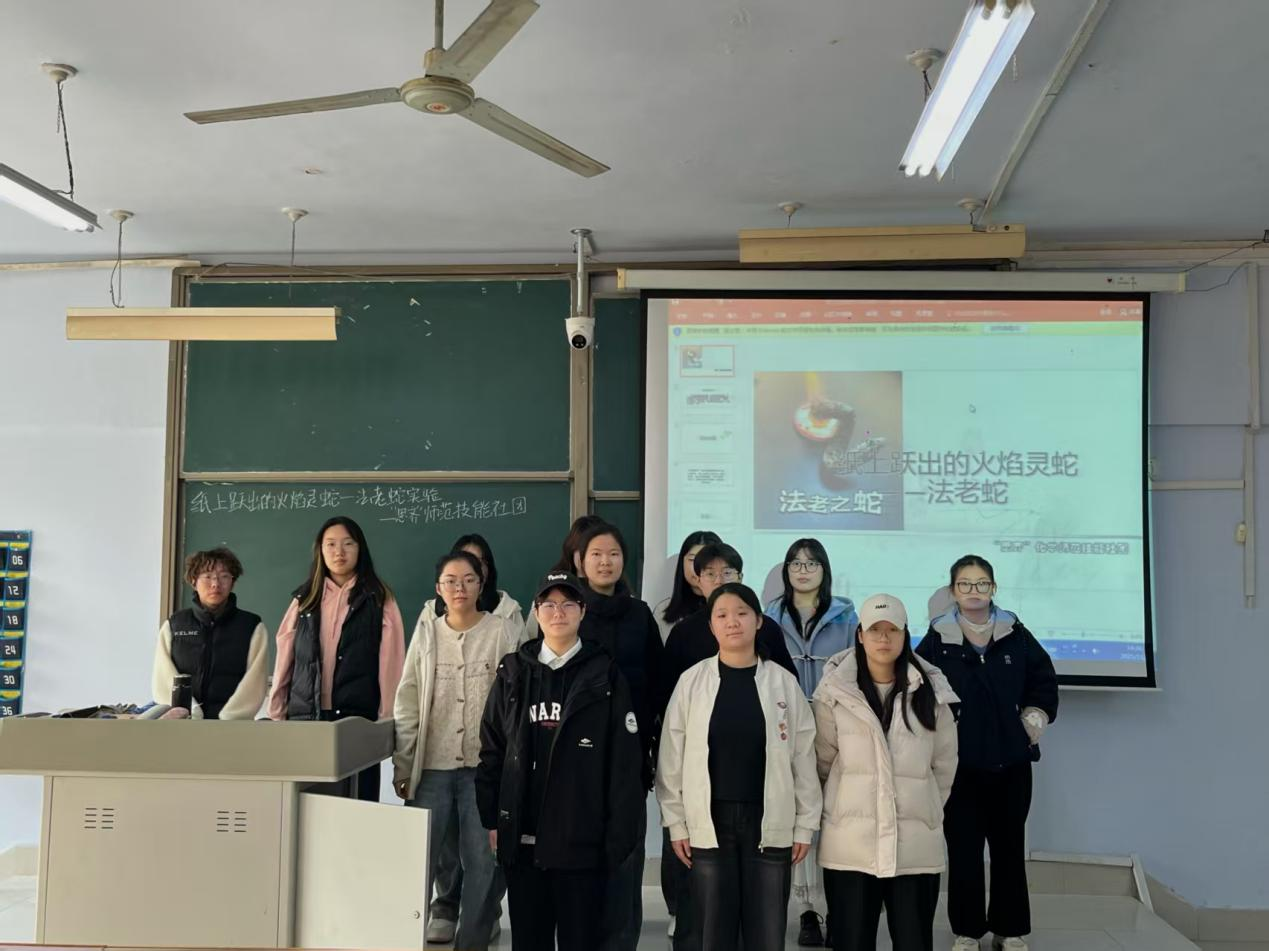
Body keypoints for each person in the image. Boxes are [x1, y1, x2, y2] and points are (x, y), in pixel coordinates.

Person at [476, 572, 644, 951]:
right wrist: (492, 818)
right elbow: (492, 749)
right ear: (536, 612)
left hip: (582, 845)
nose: (558, 612)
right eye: (549, 604)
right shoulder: (513, 672)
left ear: (582, 611)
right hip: (524, 843)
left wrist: (617, 838)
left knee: (580, 941)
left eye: (568, 604)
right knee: (528, 941)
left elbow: (623, 765)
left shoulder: (605, 673)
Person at [656, 582, 821, 951]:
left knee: (767, 930)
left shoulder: (783, 682)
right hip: (709, 821)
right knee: (712, 929)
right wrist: (676, 821)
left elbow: (803, 757)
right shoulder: (692, 682)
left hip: (770, 819)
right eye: (722, 615)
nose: (733, 622)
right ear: (711, 626)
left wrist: (805, 824)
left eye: (742, 613)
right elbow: (671, 758)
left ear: (759, 621)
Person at [914, 556, 1059, 951]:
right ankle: (967, 930)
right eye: (965, 584)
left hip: (1011, 763)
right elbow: (918, 690)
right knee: (964, 850)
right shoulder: (936, 640)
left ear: (993, 588)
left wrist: (1035, 716)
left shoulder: (1017, 635)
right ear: (953, 591)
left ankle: (1010, 929)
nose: (974, 591)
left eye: (981, 584)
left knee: (1009, 847)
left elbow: (1043, 681)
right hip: (958, 767)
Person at [813, 594, 959, 951]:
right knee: (851, 941)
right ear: (860, 635)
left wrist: (923, 807)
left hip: (914, 847)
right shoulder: (834, 692)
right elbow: (822, 762)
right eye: (874, 630)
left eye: (892, 629)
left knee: (913, 941)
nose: (883, 638)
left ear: (905, 634)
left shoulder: (932, 690)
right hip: (850, 845)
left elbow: (944, 764)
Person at [393, 551, 519, 951]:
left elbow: (515, 701)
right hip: (431, 766)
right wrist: (403, 763)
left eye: (468, 579)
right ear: (438, 588)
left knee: (482, 860)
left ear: (481, 585)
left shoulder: (501, 632)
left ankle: (474, 941)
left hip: (484, 768)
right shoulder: (427, 633)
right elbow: (408, 698)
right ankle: (408, 936)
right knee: (421, 856)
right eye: (451, 580)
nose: (459, 588)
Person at [268, 516, 406, 802]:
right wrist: (277, 711)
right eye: (330, 544)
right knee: (306, 805)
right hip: (307, 719)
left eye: (347, 544)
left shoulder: (378, 598)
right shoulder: (304, 599)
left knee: (356, 803)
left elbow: (391, 664)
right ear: (320, 550)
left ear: (360, 549)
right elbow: (285, 657)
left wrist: (386, 723)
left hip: (357, 721)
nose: (339, 552)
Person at [575, 521, 666, 951]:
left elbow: (658, 681)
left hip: (630, 751)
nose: (605, 562)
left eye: (613, 554)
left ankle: (621, 941)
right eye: (596, 554)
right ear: (580, 562)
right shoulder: (568, 611)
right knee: (581, 855)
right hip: (579, 756)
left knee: (627, 854)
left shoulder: (639, 614)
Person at [765, 538, 858, 947]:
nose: (803, 570)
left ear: (825, 570)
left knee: (838, 819)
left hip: (837, 728)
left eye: (812, 563)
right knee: (799, 819)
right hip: (784, 728)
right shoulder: (768, 617)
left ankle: (840, 908)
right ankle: (808, 911)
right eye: (796, 563)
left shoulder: (847, 617)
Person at [649, 529, 721, 939]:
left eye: (712, 563)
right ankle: (678, 905)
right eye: (695, 561)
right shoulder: (667, 616)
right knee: (678, 824)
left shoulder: (743, 614)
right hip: (682, 733)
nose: (703, 570)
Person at [662, 541, 798, 693]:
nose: (719, 581)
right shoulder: (683, 632)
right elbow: (667, 689)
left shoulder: (766, 626)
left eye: (727, 573)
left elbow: (789, 683)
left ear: (740, 577)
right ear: (699, 581)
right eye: (710, 574)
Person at [151, 547, 269, 720]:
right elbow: (163, 678)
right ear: (194, 581)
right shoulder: (174, 625)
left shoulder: (252, 627)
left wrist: (230, 718)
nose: (215, 584)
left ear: (233, 582)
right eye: (207, 576)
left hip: (234, 727)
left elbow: (255, 682)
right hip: (182, 724)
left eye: (224, 576)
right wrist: (189, 712)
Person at [524, 514, 608, 640]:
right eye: (583, 549)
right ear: (572, 551)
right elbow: (531, 641)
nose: (588, 557)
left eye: (596, 552)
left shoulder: (623, 598)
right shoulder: (548, 592)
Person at [653, 530, 723, 642]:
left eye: (707, 560)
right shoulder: (663, 611)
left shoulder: (733, 608)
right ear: (682, 563)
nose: (699, 567)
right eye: (692, 559)